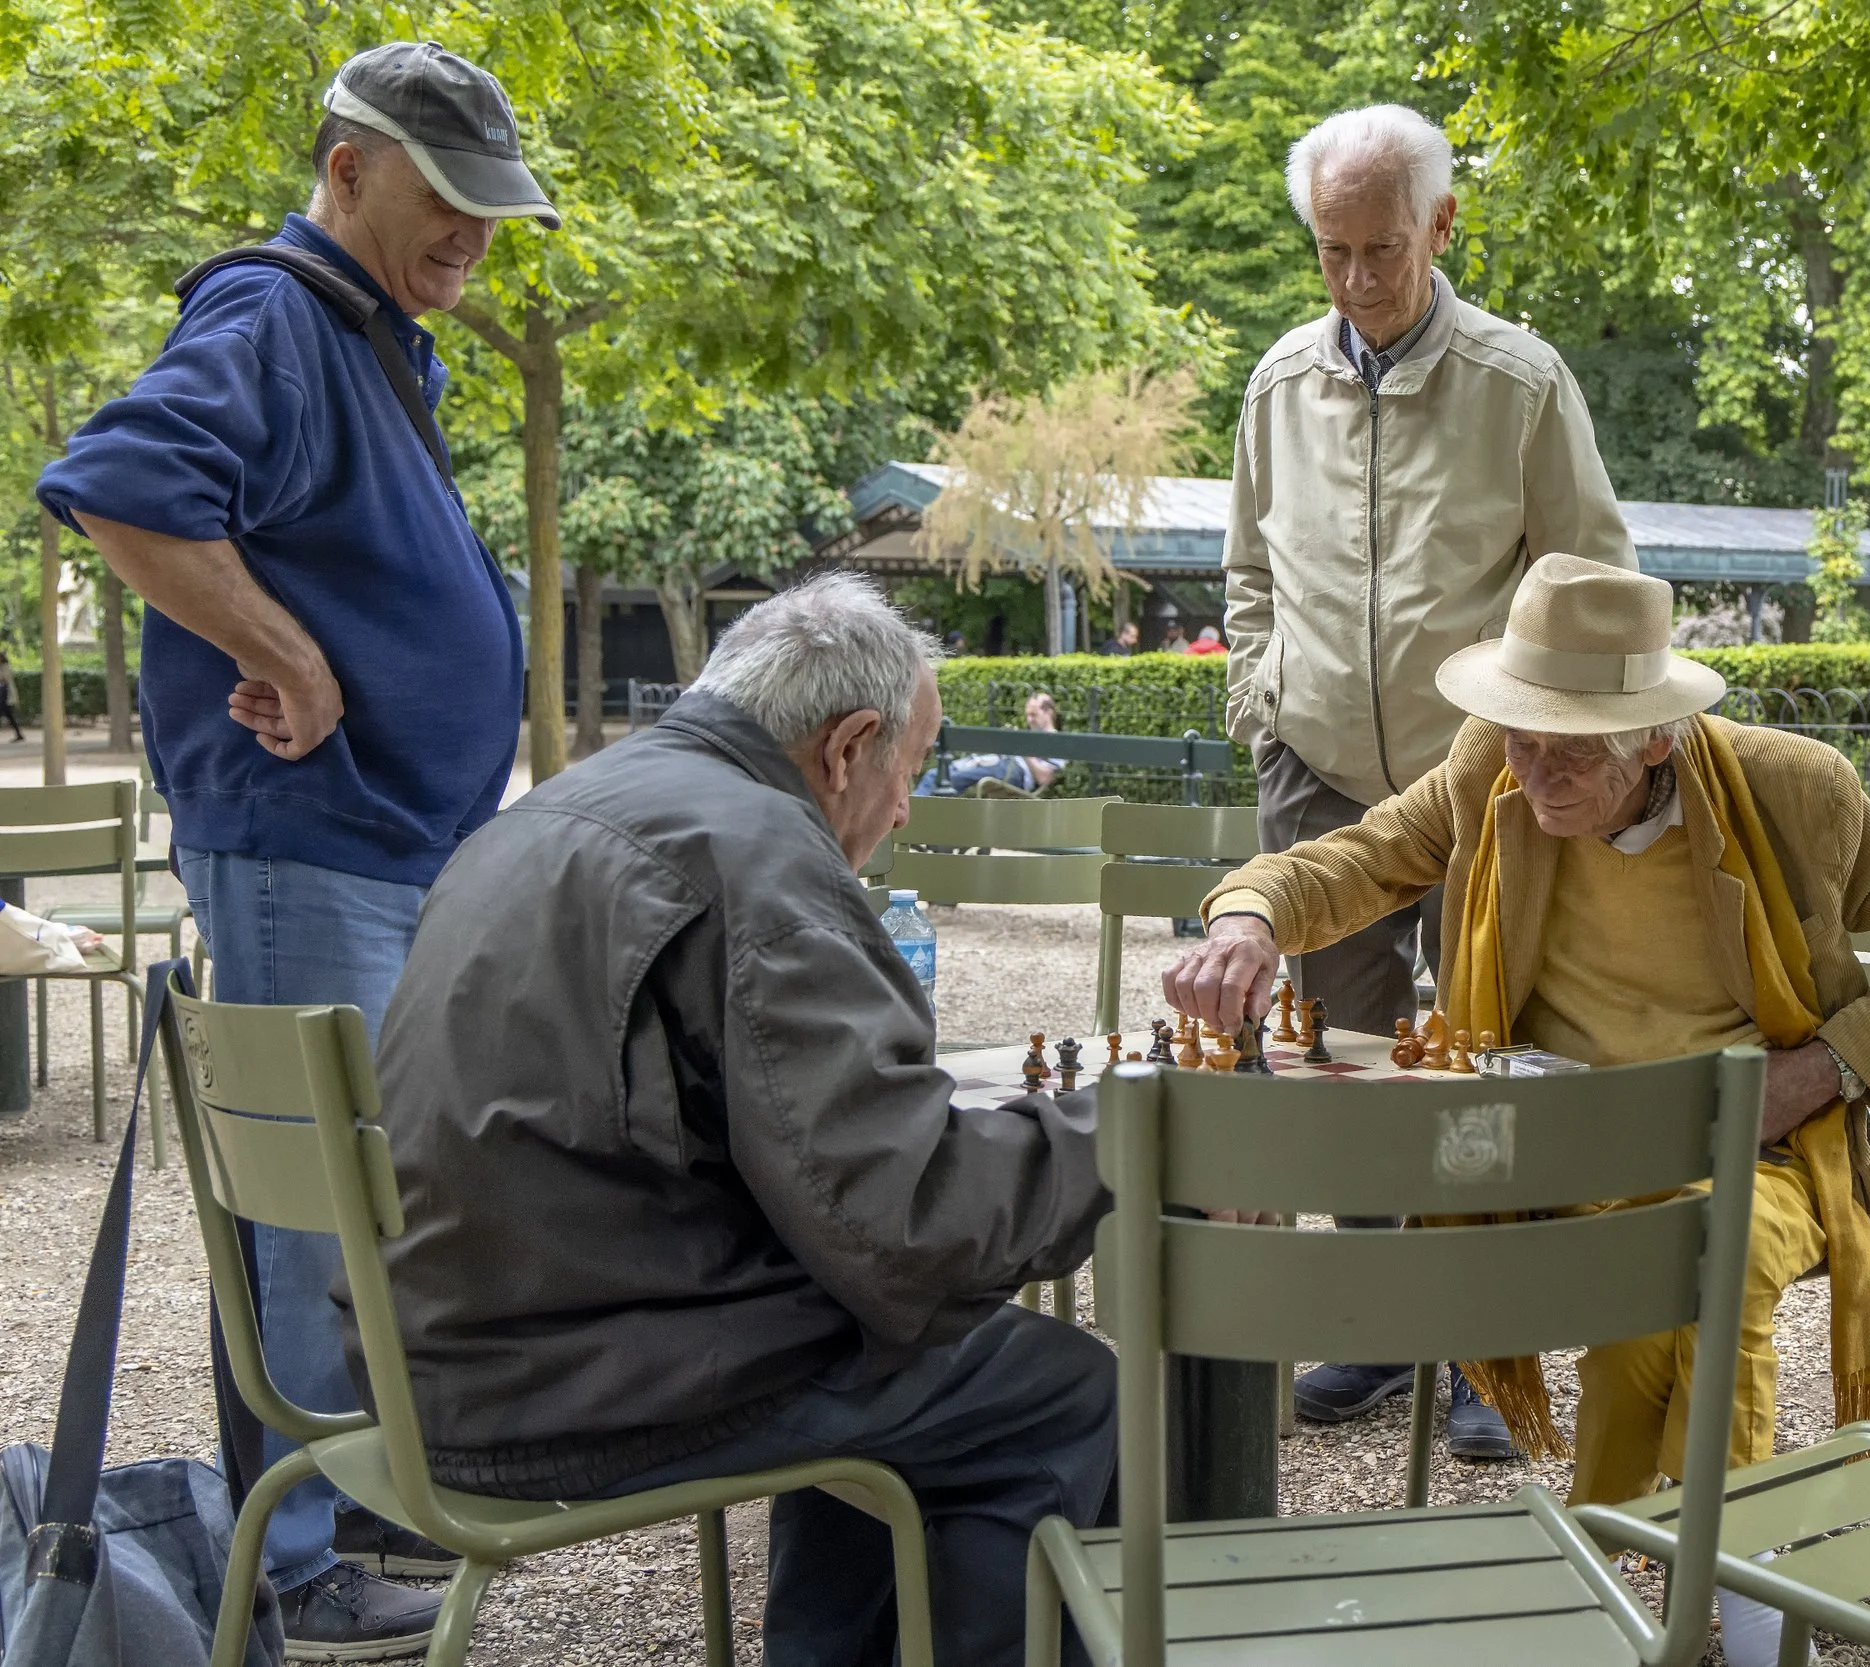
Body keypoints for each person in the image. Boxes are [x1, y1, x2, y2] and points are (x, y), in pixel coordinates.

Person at [1164, 556, 1870, 1667]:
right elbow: (1358, 860)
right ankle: (1694, 1572)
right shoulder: (1489, 765)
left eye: (1569, 747)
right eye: (1521, 735)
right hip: (1558, 1145)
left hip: (1759, 1144)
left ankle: (1663, 1565)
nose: (1535, 770)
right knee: (1655, 1266)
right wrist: (1249, 913)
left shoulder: (1795, 789)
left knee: (1702, 1252)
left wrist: (1828, 1066)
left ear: (1655, 737)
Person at [34, 42, 550, 1657]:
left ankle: (363, 1490)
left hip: (377, 839)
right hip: (311, 836)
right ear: (346, 167)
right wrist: (293, 657)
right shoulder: (274, 312)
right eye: (445, 195)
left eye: (493, 206)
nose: (474, 233)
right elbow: (122, 487)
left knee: (368, 1194)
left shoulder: (364, 331)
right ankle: (301, 1552)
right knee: (313, 1207)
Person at [371, 574, 1113, 1667]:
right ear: (847, 746)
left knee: (882, 1344)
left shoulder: (558, 806)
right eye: (910, 767)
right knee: (1057, 1390)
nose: (904, 808)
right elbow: (910, 1226)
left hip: (432, 1353)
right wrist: (1120, 1134)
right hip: (564, 1382)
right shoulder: (758, 850)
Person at [1221, 103, 1637, 1453]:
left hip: (1482, 777)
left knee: (1477, 1045)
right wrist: (1263, 696)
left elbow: (1592, 575)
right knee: (1336, 1051)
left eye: (1382, 248)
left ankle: (1481, 1338)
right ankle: (1383, 1313)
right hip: (1317, 770)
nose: (1356, 278)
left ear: (1441, 225)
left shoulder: (1522, 383)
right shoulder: (1278, 384)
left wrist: (1551, 747)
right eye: (1332, 250)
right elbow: (1247, 568)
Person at [914, 689, 1066, 795]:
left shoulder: (1058, 742)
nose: (1029, 720)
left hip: (1014, 772)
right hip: (998, 761)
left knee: (947, 779)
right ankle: (916, 817)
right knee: (935, 774)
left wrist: (1021, 749)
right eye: (1027, 715)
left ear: (1049, 712)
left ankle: (917, 821)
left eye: (1034, 715)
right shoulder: (1030, 734)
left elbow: (1044, 778)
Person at [0, 647, 22, 743]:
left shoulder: (5, 667)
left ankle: (19, 734)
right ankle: (19, 734)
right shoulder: (3, 667)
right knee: (9, 715)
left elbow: (3, 678)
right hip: (3, 693)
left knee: (8, 714)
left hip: (6, 693)